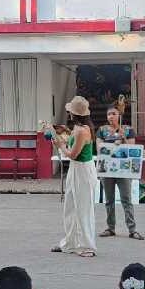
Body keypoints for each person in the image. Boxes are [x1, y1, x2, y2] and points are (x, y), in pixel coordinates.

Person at [50, 96, 98, 257]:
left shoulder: (82, 131)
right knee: (70, 207)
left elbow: (73, 154)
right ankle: (70, 243)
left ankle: (86, 246)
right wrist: (64, 135)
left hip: (82, 170)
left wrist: (60, 144)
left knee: (83, 208)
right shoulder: (81, 128)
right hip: (77, 169)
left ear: (74, 114)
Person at [96, 107, 143, 240]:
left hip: (124, 170)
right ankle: (110, 228)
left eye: (113, 114)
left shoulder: (128, 130)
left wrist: (123, 138)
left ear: (119, 115)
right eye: (108, 114)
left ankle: (132, 229)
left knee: (126, 200)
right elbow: (99, 148)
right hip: (108, 170)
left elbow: (132, 149)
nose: (111, 116)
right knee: (109, 200)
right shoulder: (102, 130)